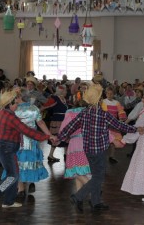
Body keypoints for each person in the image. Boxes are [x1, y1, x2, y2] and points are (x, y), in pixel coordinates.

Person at [58, 84, 136, 212]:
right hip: (99, 151)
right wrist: (135, 129)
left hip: (88, 150)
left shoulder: (83, 113)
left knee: (96, 176)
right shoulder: (103, 114)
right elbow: (119, 125)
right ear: (99, 100)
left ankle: (96, 202)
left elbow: (69, 127)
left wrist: (59, 137)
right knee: (98, 177)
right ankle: (78, 197)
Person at [0, 90, 56, 209]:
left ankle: (9, 201)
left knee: (14, 174)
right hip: (6, 148)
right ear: (11, 103)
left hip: (5, 147)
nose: (17, 105)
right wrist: (48, 136)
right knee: (12, 176)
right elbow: (28, 131)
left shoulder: (2, 112)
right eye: (15, 103)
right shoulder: (10, 117)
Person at [2, 88, 51, 197]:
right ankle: (30, 182)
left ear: (18, 97)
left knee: (18, 162)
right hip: (31, 139)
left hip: (16, 139)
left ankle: (20, 189)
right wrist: (49, 135)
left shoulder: (13, 109)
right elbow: (41, 123)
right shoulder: (34, 108)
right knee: (29, 161)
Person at [59, 96, 91, 192]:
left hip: (76, 143)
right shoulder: (92, 112)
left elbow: (64, 129)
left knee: (77, 169)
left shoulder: (70, 112)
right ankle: (78, 196)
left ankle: (93, 189)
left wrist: (64, 138)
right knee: (85, 169)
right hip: (90, 143)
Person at [42, 85, 68, 162]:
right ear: (62, 91)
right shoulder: (54, 98)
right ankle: (50, 155)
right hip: (57, 121)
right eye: (65, 90)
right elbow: (45, 106)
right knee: (56, 137)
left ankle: (65, 155)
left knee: (66, 138)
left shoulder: (64, 99)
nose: (66, 92)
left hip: (64, 120)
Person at [101, 86, 127, 164]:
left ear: (113, 94)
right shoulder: (103, 102)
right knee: (104, 142)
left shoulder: (116, 102)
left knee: (113, 142)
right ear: (106, 94)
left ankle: (112, 156)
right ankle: (102, 157)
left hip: (114, 125)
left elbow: (121, 111)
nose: (110, 95)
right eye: (108, 93)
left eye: (111, 94)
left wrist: (122, 118)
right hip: (104, 125)